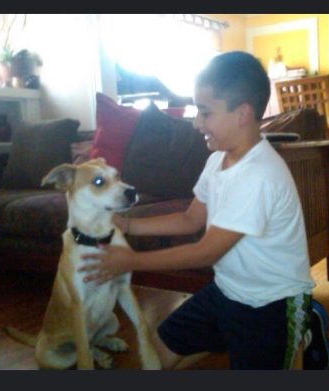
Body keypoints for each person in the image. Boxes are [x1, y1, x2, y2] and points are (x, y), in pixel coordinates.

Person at [79, 51, 316, 370]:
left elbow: (205, 252)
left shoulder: (259, 175)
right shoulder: (218, 159)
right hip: (228, 291)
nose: (195, 123)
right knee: (160, 348)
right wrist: (127, 225)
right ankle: (236, 339)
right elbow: (191, 219)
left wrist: (131, 261)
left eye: (205, 112)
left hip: (272, 304)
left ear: (242, 114)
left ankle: (299, 337)